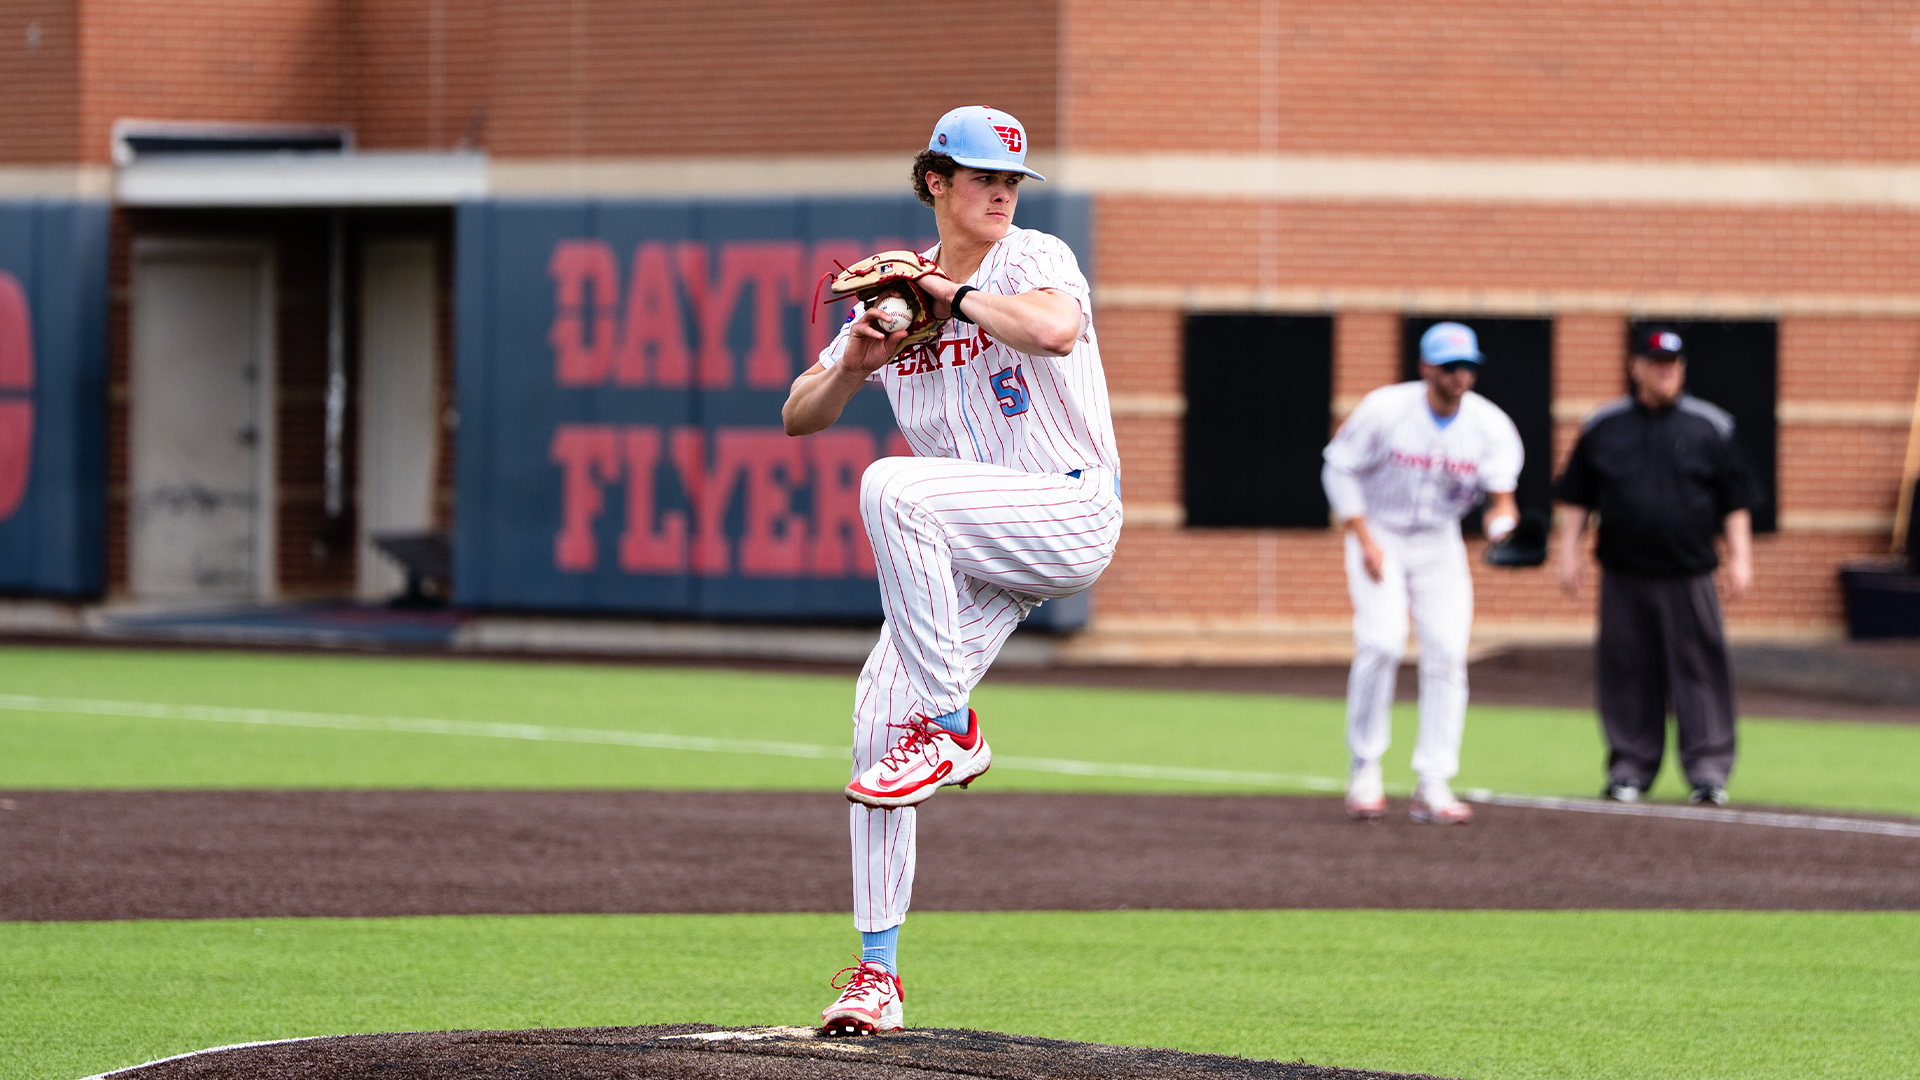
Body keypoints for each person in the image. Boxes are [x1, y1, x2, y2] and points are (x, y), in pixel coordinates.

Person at [781, 105, 1122, 1036]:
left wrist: (947, 294)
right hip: (971, 551)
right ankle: (875, 975)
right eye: (982, 177)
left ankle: (952, 726)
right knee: (873, 735)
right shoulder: (891, 297)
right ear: (936, 181)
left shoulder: (1033, 258)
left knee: (893, 486)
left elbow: (1053, 334)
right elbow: (799, 414)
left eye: (1012, 178)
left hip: (1066, 508)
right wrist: (856, 356)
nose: (1002, 192)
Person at [1321, 322, 1524, 825]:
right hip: (1380, 530)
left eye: (1468, 366)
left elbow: (1502, 501)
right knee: (1383, 643)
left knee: (1448, 654)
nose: (1461, 375)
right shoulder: (1386, 409)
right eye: (1450, 365)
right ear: (1426, 367)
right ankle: (1364, 766)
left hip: (1439, 540)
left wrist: (1503, 532)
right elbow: (1338, 466)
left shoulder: (1490, 425)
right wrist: (1362, 537)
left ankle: (1433, 780)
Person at [1551, 327, 1756, 806]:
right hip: (1624, 573)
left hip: (1689, 573)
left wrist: (1740, 559)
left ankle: (1708, 771)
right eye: (1656, 363)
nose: (1666, 371)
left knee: (1700, 670)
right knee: (1627, 671)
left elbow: (1735, 500)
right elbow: (1578, 496)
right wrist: (1567, 552)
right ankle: (1630, 768)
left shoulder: (1711, 425)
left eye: (1673, 363)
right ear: (1636, 366)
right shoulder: (1604, 425)